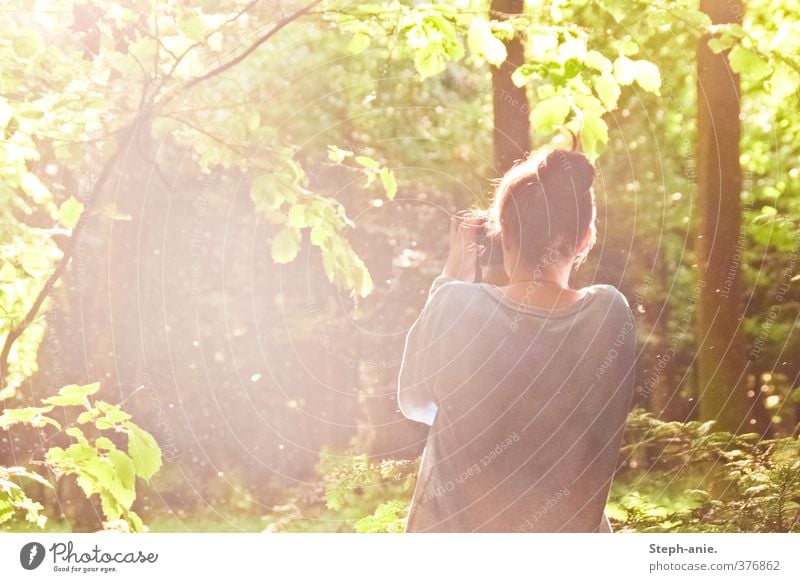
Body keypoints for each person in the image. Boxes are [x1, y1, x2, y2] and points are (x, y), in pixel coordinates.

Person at [397, 148, 636, 532]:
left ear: (503, 235)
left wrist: (450, 280)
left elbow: (414, 402)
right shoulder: (608, 314)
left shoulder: (457, 305)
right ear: (584, 240)